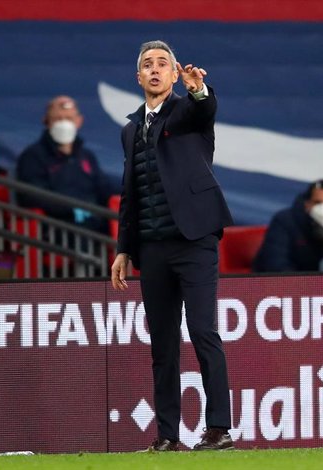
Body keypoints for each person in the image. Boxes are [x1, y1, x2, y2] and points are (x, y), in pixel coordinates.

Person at [111, 40, 234, 452]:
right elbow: (131, 193)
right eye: (147, 64)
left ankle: (219, 429)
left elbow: (205, 108)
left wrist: (198, 89)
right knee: (162, 345)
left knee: (202, 332)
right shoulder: (130, 130)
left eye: (163, 63)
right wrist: (124, 249)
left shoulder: (186, 112)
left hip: (194, 240)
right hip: (153, 248)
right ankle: (167, 435)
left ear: (174, 71)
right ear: (139, 76)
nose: (155, 70)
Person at [15, 95, 117, 233]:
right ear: (46, 122)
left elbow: (104, 188)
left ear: (79, 121)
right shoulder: (33, 156)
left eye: (69, 119)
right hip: (57, 228)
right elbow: (32, 195)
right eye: (58, 119)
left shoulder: (86, 156)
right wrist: (72, 209)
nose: (64, 124)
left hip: (94, 223)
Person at [253, 179, 323, 272]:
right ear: (307, 205)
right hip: (280, 284)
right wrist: (305, 285)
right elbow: (274, 263)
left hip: (320, 286)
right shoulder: (284, 220)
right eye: (317, 202)